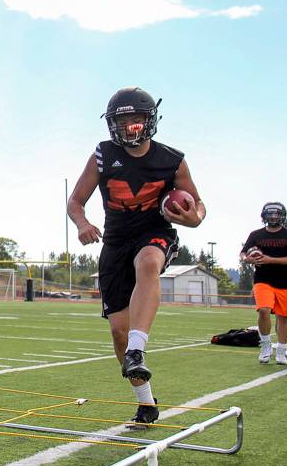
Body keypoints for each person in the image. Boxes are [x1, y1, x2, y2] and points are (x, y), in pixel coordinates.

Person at [67, 87, 205, 428]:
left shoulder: (172, 159)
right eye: (123, 120)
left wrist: (193, 218)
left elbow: (199, 206)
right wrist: (83, 224)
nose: (130, 126)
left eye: (137, 119)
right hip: (114, 243)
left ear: (150, 120)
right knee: (118, 332)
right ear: (112, 123)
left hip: (154, 234)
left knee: (148, 263)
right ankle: (146, 401)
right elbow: (75, 201)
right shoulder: (103, 154)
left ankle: (137, 348)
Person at [241, 202, 287, 366]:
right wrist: (247, 259)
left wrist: (270, 260)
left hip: (286, 281)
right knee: (263, 311)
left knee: (283, 317)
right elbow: (243, 253)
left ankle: (281, 350)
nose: (273, 216)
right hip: (263, 279)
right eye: (270, 213)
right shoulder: (256, 234)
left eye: (277, 213)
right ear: (264, 215)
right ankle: (266, 345)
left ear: (282, 215)